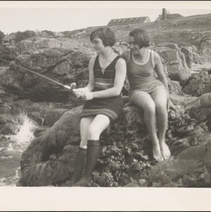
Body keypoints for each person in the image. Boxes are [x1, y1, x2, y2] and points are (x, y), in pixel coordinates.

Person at [70, 28, 127, 186]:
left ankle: (86, 178)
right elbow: (91, 85)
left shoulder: (120, 62)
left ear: (107, 41)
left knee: (93, 131)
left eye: (96, 42)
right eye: (93, 42)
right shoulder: (93, 60)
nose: (93, 45)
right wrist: (82, 91)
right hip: (94, 101)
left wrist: (93, 95)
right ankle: (75, 177)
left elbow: (117, 90)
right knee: (83, 138)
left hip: (112, 101)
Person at [121, 29, 174, 162]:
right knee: (150, 106)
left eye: (134, 43)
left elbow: (162, 77)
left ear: (143, 42)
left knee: (161, 105)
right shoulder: (126, 56)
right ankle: (155, 143)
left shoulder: (153, 56)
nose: (131, 46)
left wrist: (169, 98)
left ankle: (162, 141)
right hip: (137, 90)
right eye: (129, 43)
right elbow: (116, 72)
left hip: (155, 86)